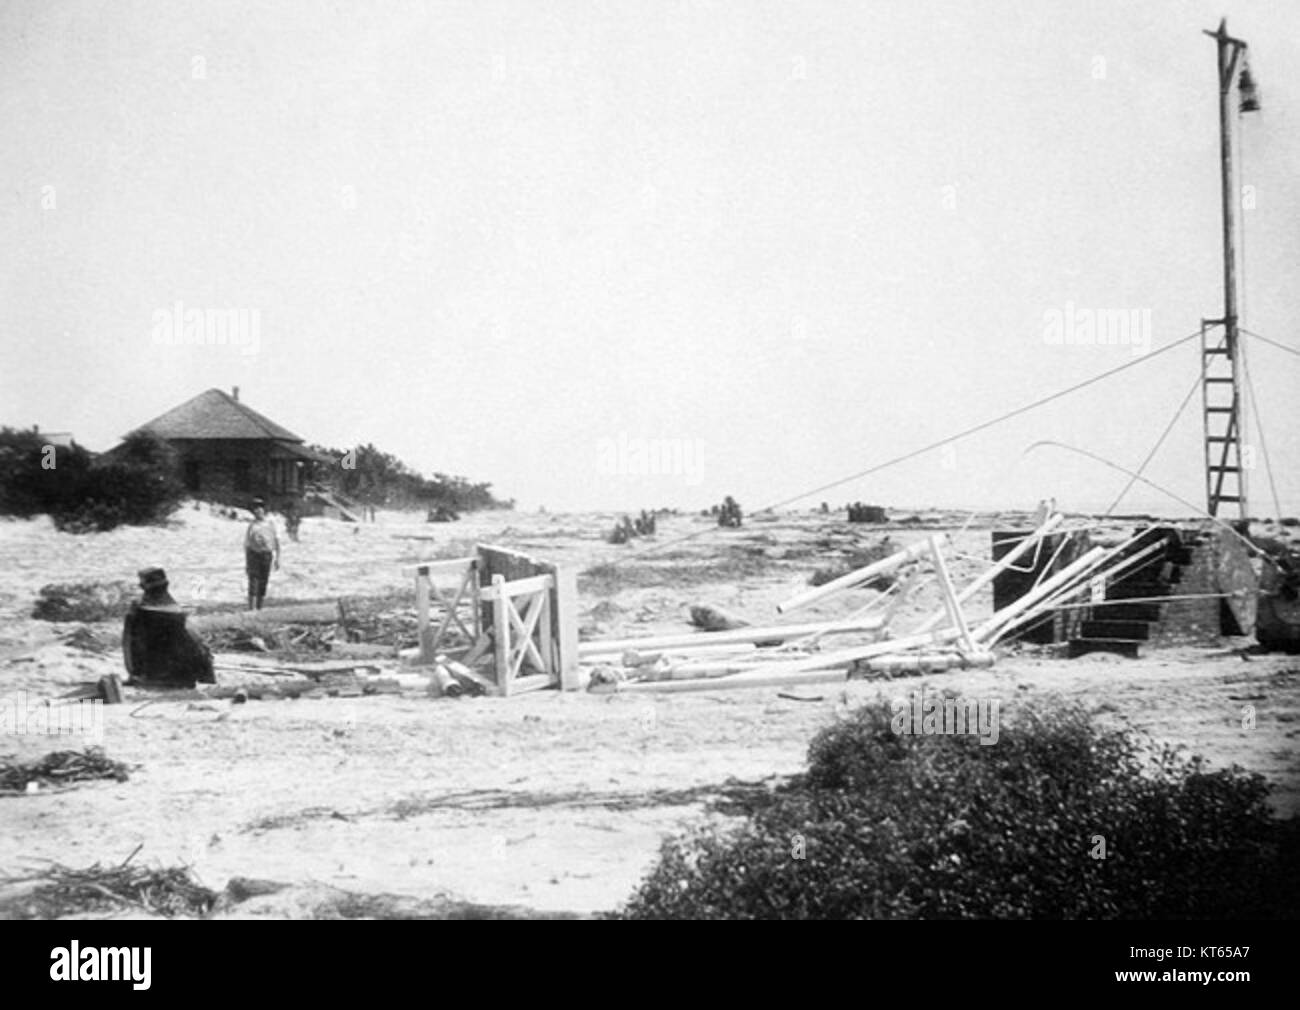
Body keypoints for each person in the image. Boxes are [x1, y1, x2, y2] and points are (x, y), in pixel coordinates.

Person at [122, 567, 214, 687]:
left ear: (143, 587)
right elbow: (201, 650)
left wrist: (135, 675)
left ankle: (139, 677)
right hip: (185, 678)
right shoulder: (178, 612)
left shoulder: (139, 612)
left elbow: (130, 646)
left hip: (156, 678)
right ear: (166, 584)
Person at [244, 498, 280, 610]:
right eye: (255, 510)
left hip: (266, 555)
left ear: (264, 510)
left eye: (259, 509)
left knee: (263, 580)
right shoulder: (252, 525)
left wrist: (278, 558)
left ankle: (260, 607)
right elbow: (247, 544)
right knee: (253, 580)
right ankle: (251, 608)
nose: (257, 512)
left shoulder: (271, 524)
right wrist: (247, 562)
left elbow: (277, 541)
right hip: (253, 554)